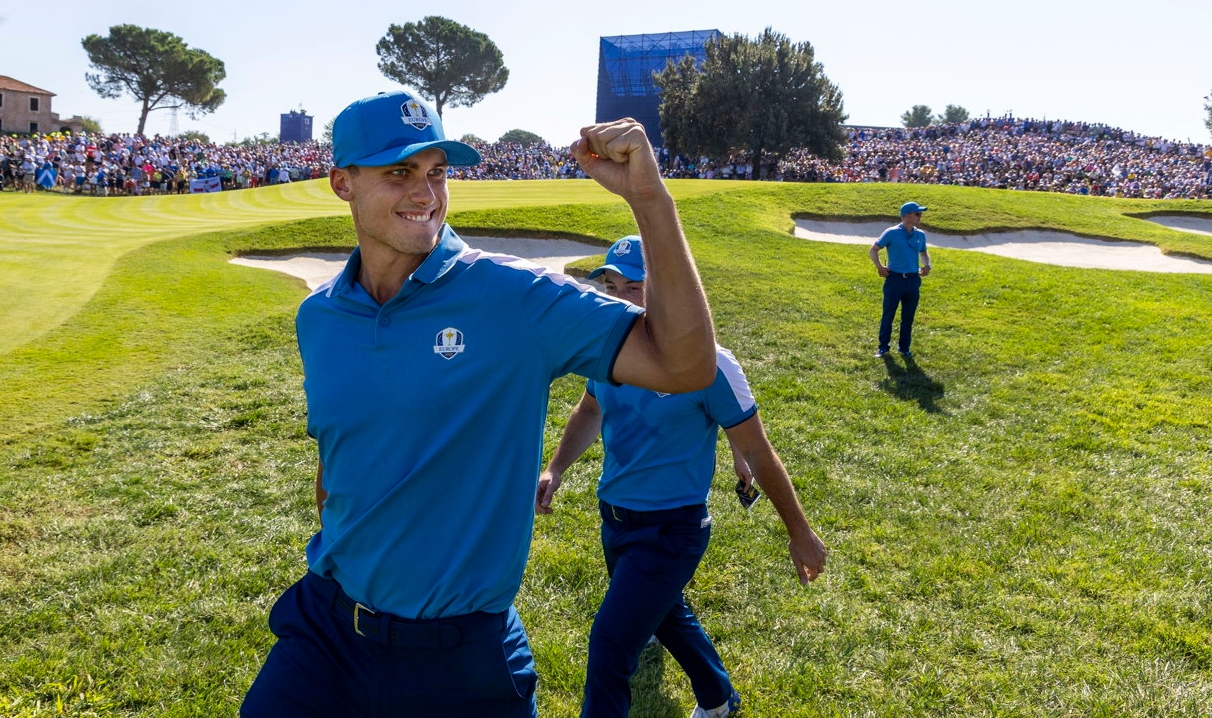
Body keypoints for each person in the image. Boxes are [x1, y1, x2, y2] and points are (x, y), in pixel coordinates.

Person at [240, 91, 717, 717]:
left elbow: (683, 364)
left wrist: (649, 200)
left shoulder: (516, 296)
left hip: (461, 658)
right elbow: (339, 456)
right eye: (398, 173)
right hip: (327, 631)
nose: (426, 194)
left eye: (437, 172)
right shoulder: (320, 317)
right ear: (341, 183)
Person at [536, 236, 827, 718]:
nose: (619, 299)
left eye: (634, 288)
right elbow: (590, 409)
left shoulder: (710, 363)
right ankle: (720, 698)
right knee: (666, 612)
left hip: (671, 530)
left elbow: (758, 449)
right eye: (612, 287)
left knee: (610, 644)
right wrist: (556, 467)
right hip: (615, 518)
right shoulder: (607, 354)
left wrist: (799, 532)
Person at [869, 201, 933, 357]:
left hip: (912, 280)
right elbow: (873, 250)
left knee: (908, 317)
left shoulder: (920, 234)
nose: (920, 216)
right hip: (895, 279)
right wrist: (880, 267)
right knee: (888, 314)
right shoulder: (891, 232)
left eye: (920, 214)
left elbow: (924, 253)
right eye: (917, 214)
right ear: (906, 216)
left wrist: (927, 265)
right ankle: (883, 347)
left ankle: (904, 348)